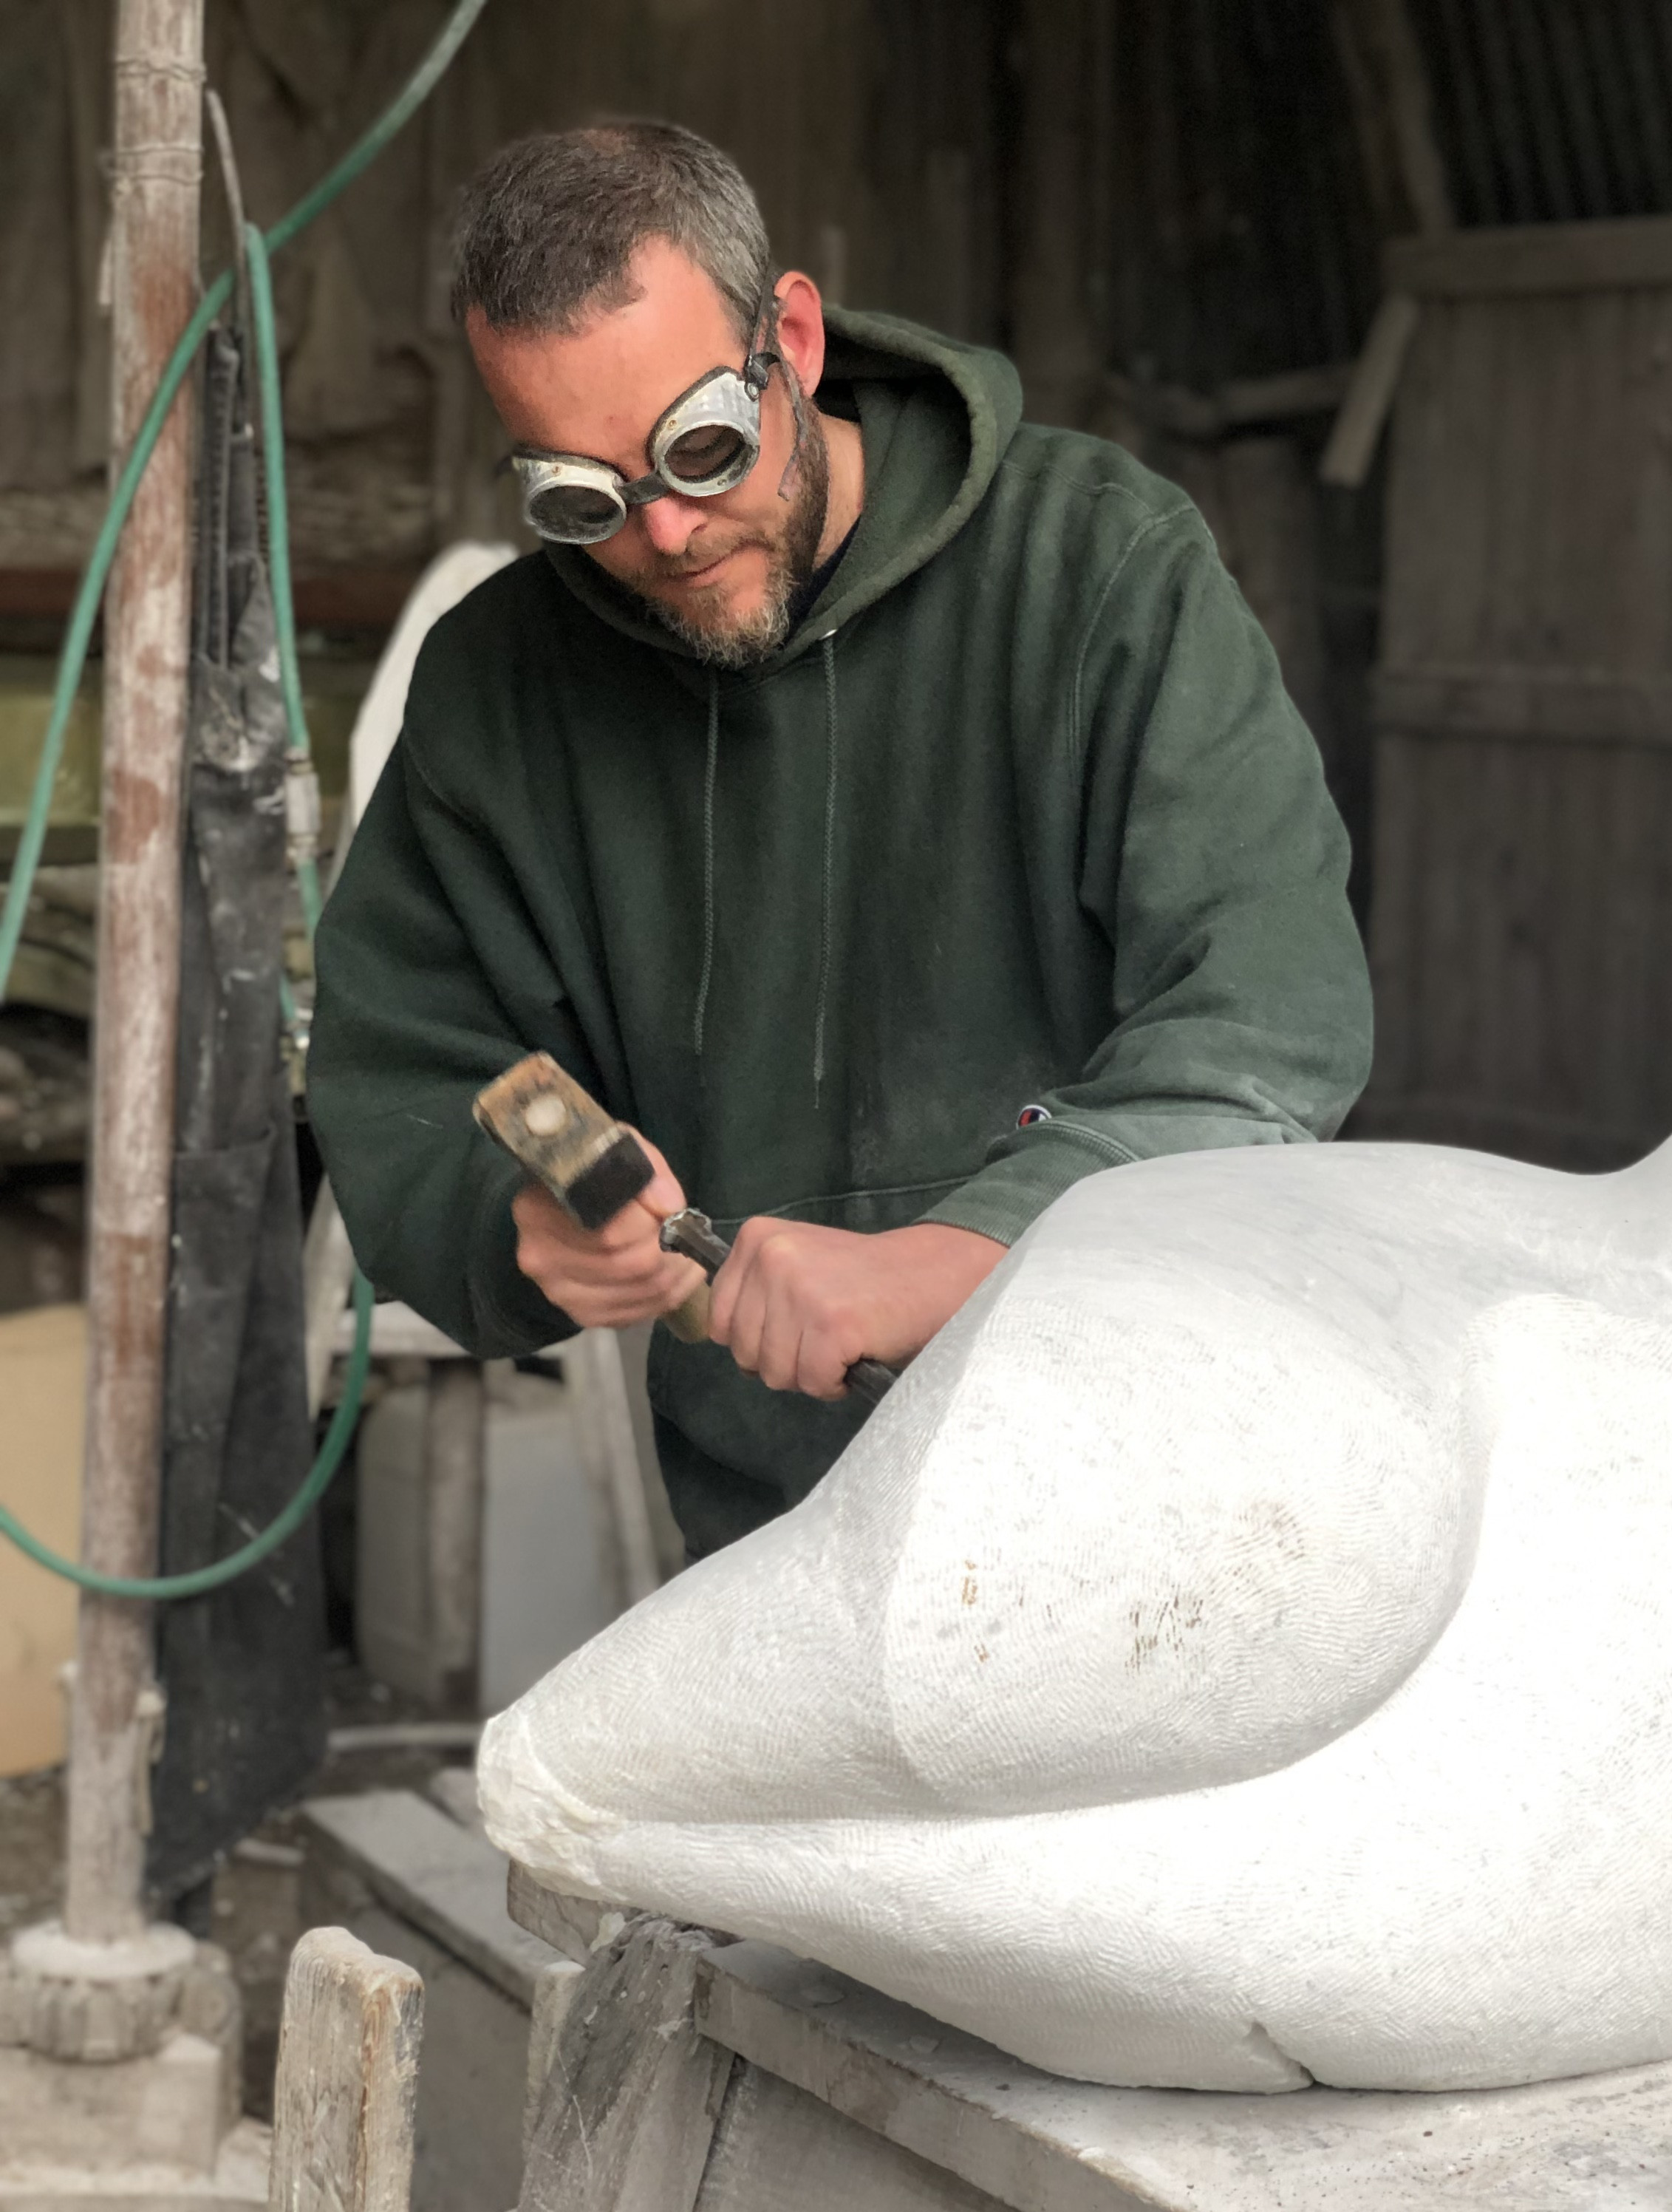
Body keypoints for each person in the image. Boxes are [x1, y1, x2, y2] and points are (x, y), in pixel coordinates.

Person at [309, 121, 1372, 1556]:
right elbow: (410, 1076)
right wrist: (525, 1223)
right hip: (777, 1534)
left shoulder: (1100, 568)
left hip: (1152, 1483)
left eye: (700, 445)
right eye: (583, 496)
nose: (669, 530)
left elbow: (1271, 1021)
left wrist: (963, 1254)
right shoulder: (504, 688)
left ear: (790, 339)